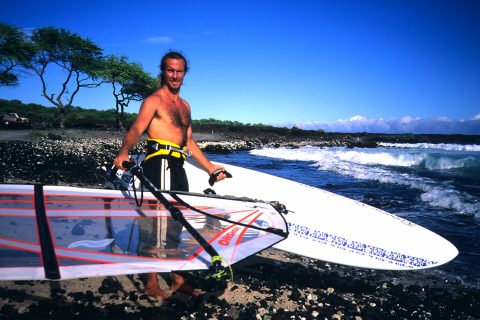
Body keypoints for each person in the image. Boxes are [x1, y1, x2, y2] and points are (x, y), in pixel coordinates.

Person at [114, 51, 227, 299]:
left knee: (177, 221)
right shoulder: (154, 100)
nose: (175, 75)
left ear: (185, 73)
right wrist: (124, 152)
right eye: (170, 70)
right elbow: (136, 129)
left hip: (178, 166)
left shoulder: (185, 106)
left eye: (179, 71)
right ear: (162, 71)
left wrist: (209, 167)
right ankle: (152, 282)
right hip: (160, 163)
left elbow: (188, 141)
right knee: (157, 223)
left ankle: (177, 279)